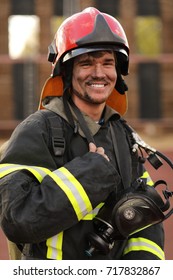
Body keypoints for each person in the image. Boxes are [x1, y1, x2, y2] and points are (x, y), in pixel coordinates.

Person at [0, 7, 165, 260]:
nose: (99, 73)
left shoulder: (124, 136)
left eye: (107, 63)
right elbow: (17, 220)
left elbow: (145, 219)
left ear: (118, 72)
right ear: (66, 72)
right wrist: (88, 177)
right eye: (87, 63)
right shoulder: (37, 131)